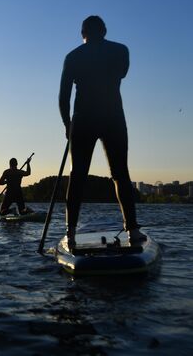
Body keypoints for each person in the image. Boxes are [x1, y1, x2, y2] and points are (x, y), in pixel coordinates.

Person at [59, 16, 146, 248]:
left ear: (82, 33)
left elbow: (63, 96)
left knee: (77, 175)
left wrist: (67, 124)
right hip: (113, 118)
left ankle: (70, 232)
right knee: (120, 174)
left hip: (83, 119)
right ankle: (133, 230)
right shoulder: (120, 51)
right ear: (104, 31)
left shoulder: (73, 56)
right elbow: (121, 74)